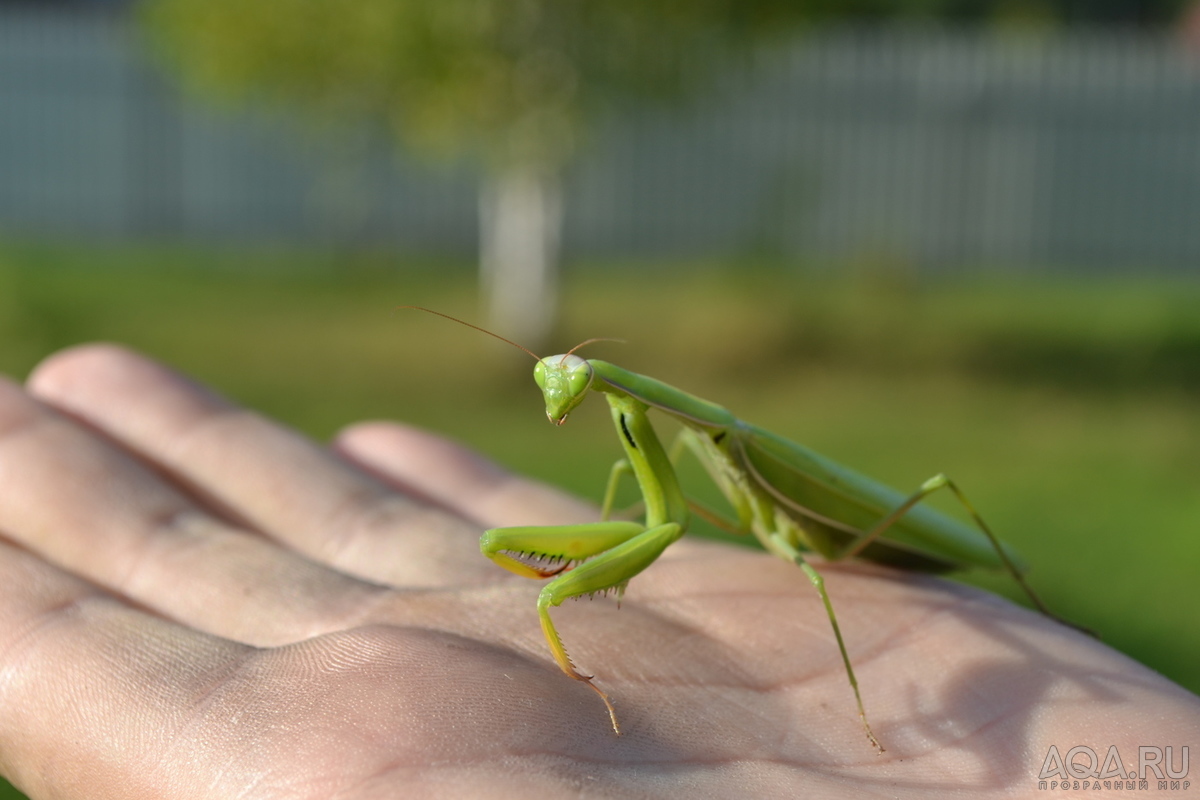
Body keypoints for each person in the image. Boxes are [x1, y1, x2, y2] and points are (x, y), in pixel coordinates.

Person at [0, 344, 1195, 799]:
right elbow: (650, 507)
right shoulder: (656, 432)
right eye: (552, 387)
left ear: (604, 381)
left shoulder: (712, 431)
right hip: (768, 507)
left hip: (876, 532)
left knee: (879, 530)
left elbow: (681, 522)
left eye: (568, 384)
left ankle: (1013, 585)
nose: (561, 400)